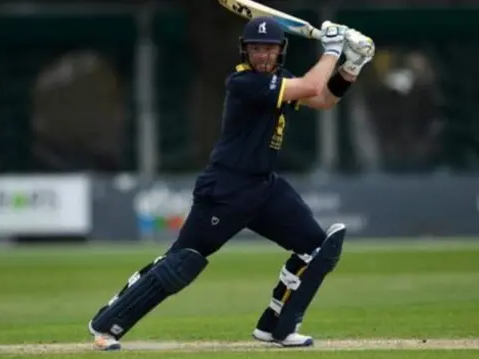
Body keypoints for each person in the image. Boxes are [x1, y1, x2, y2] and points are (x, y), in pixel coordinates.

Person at [87, 18, 375, 350]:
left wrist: (352, 65)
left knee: (316, 250)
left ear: (281, 51)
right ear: (246, 51)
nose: (263, 56)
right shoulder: (243, 82)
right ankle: (106, 324)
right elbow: (311, 86)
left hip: (265, 189)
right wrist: (334, 49)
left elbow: (323, 99)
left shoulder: (280, 79)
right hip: (226, 189)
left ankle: (278, 328)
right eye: (257, 49)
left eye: (270, 49)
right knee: (182, 262)